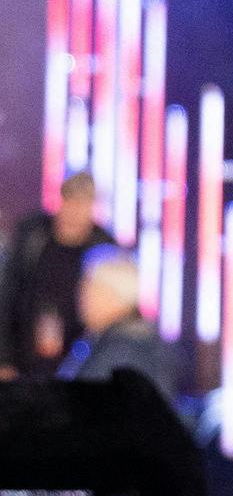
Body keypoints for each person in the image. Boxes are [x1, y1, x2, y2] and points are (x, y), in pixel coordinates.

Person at [4, 171, 111, 376]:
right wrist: (4, 359)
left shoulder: (104, 248)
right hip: (22, 360)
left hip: (77, 364)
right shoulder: (33, 234)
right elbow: (7, 297)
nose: (74, 212)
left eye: (82, 205)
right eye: (70, 202)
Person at [60, 247, 182, 399]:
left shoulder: (122, 349)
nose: (81, 299)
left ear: (115, 296)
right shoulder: (115, 339)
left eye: (89, 290)